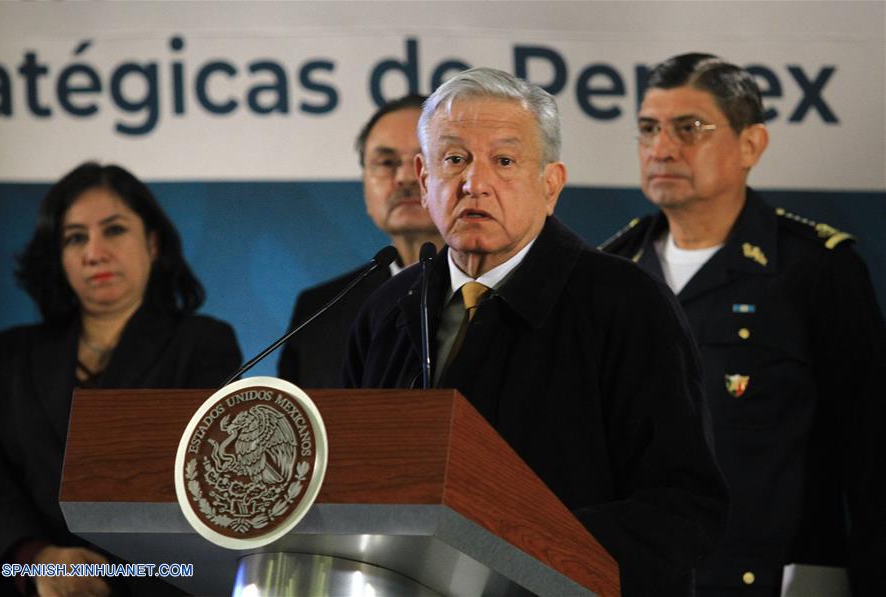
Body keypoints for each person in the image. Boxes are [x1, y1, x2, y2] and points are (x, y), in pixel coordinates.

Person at [343, 67, 729, 596]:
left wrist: (517, 550)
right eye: (454, 159)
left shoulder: (625, 303)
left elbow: (683, 507)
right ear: (424, 176)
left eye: (504, 161)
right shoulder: (387, 307)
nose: (474, 183)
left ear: (550, 185)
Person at [601, 53, 886, 596]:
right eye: (648, 129)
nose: (661, 148)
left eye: (689, 129)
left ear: (751, 144)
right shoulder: (613, 271)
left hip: (778, 581)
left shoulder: (815, 268)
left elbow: (873, 458)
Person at [0, 162, 243, 596]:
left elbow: (206, 485)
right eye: (75, 238)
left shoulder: (204, 343)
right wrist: (36, 561)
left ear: (153, 242)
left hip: (157, 582)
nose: (94, 252)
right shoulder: (4, 356)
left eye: (114, 230)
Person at [277, 94, 444, 387]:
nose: (405, 177)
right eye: (386, 162)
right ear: (365, 185)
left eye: (424, 160)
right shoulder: (319, 311)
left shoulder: (491, 294)